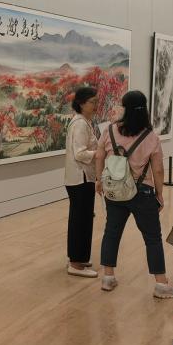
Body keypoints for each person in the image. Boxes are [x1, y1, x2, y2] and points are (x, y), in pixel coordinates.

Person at [95, 91, 173, 298]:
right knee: (152, 238)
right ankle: (161, 284)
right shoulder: (150, 137)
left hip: (115, 191)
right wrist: (159, 194)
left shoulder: (109, 130)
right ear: (145, 109)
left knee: (112, 232)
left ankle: (108, 277)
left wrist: (99, 180)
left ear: (124, 108)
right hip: (142, 193)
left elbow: (99, 156)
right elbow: (158, 169)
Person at [64, 87, 99, 278]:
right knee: (80, 221)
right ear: (81, 103)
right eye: (92, 102)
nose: (95, 105)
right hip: (80, 178)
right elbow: (80, 153)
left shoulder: (84, 122)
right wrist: (99, 153)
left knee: (83, 220)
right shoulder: (80, 124)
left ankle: (80, 258)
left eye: (96, 101)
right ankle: (76, 263)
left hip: (82, 178)